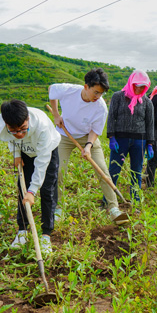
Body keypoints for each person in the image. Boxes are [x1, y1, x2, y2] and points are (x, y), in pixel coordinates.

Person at [49, 68, 129, 225]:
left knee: (102, 170)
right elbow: (51, 90)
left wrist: (88, 146)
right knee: (58, 170)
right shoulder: (69, 91)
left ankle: (114, 209)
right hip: (64, 135)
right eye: (96, 92)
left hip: (87, 136)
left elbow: (95, 130)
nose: (98, 97)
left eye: (101, 94)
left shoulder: (101, 107)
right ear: (86, 87)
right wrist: (56, 115)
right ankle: (58, 208)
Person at [0, 100, 60, 252]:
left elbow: (42, 162)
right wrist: (16, 154)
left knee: (47, 190)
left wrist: (32, 192)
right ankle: (22, 231)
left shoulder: (42, 126)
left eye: (23, 129)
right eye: (14, 130)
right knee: (22, 188)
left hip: (46, 151)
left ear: (28, 120)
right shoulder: (3, 120)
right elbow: (10, 138)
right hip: (25, 151)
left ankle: (46, 235)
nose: (19, 134)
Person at [106, 70, 154, 203]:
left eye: (142, 86)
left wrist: (150, 144)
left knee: (136, 171)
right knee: (114, 170)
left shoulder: (147, 102)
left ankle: (136, 199)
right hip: (120, 140)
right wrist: (111, 137)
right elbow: (111, 118)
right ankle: (108, 200)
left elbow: (150, 124)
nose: (138, 89)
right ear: (131, 83)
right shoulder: (118, 97)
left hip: (139, 141)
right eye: (136, 85)